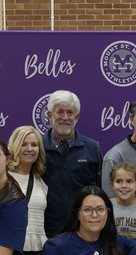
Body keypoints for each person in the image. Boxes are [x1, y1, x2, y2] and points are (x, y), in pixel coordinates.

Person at [41, 90, 103, 238]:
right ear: (50, 115)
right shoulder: (38, 148)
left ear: (77, 117)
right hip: (47, 231)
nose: (65, 117)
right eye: (59, 112)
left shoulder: (92, 148)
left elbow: (100, 189)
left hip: (84, 229)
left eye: (70, 112)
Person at [8, 126, 49, 255]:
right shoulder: (3, 178)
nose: (29, 149)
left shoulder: (40, 178)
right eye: (23, 144)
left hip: (39, 252)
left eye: (34, 145)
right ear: (14, 147)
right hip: (11, 251)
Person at [109, 163, 136, 241]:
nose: (124, 186)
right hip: (114, 252)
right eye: (119, 181)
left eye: (129, 181)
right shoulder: (107, 205)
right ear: (112, 185)